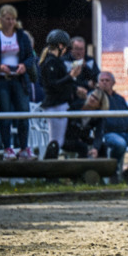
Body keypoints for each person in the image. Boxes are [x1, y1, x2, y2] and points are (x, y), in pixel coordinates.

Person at [0, 4, 37, 160]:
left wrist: (24, 66)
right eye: (8, 19)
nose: (11, 22)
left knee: (23, 113)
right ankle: (7, 148)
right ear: (1, 19)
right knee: (5, 114)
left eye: (13, 19)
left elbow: (30, 56)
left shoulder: (21, 36)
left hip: (19, 79)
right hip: (2, 80)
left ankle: (24, 147)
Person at [94, 71, 128, 181]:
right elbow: (100, 122)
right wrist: (118, 124)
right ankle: (113, 171)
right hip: (109, 134)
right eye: (102, 80)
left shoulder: (119, 99)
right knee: (120, 144)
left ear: (113, 82)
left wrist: (125, 124)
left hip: (126, 133)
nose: (104, 83)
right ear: (98, 83)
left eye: (107, 80)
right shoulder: (95, 99)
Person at [39, 29, 83, 160]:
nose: (66, 51)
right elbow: (53, 85)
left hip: (60, 103)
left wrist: (75, 88)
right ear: (60, 45)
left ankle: (51, 171)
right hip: (54, 104)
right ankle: (49, 171)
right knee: (56, 141)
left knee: (58, 141)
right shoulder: (50, 62)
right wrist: (71, 76)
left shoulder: (56, 61)